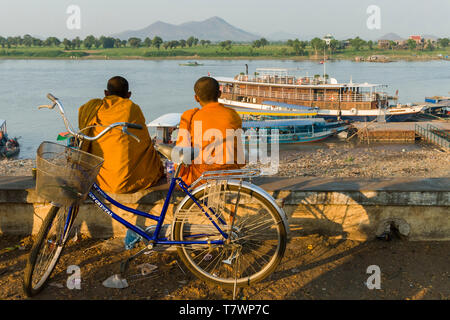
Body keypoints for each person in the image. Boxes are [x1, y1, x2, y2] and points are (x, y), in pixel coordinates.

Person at [78, 76, 163, 193]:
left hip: (99, 179)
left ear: (106, 93)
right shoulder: (132, 108)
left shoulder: (94, 107)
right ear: (129, 95)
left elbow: (85, 132)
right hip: (132, 179)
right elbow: (144, 142)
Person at [176, 76, 245, 185]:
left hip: (203, 177)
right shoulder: (233, 114)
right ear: (219, 94)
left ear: (196, 98)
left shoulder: (190, 117)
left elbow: (181, 153)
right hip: (233, 175)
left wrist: (178, 175)